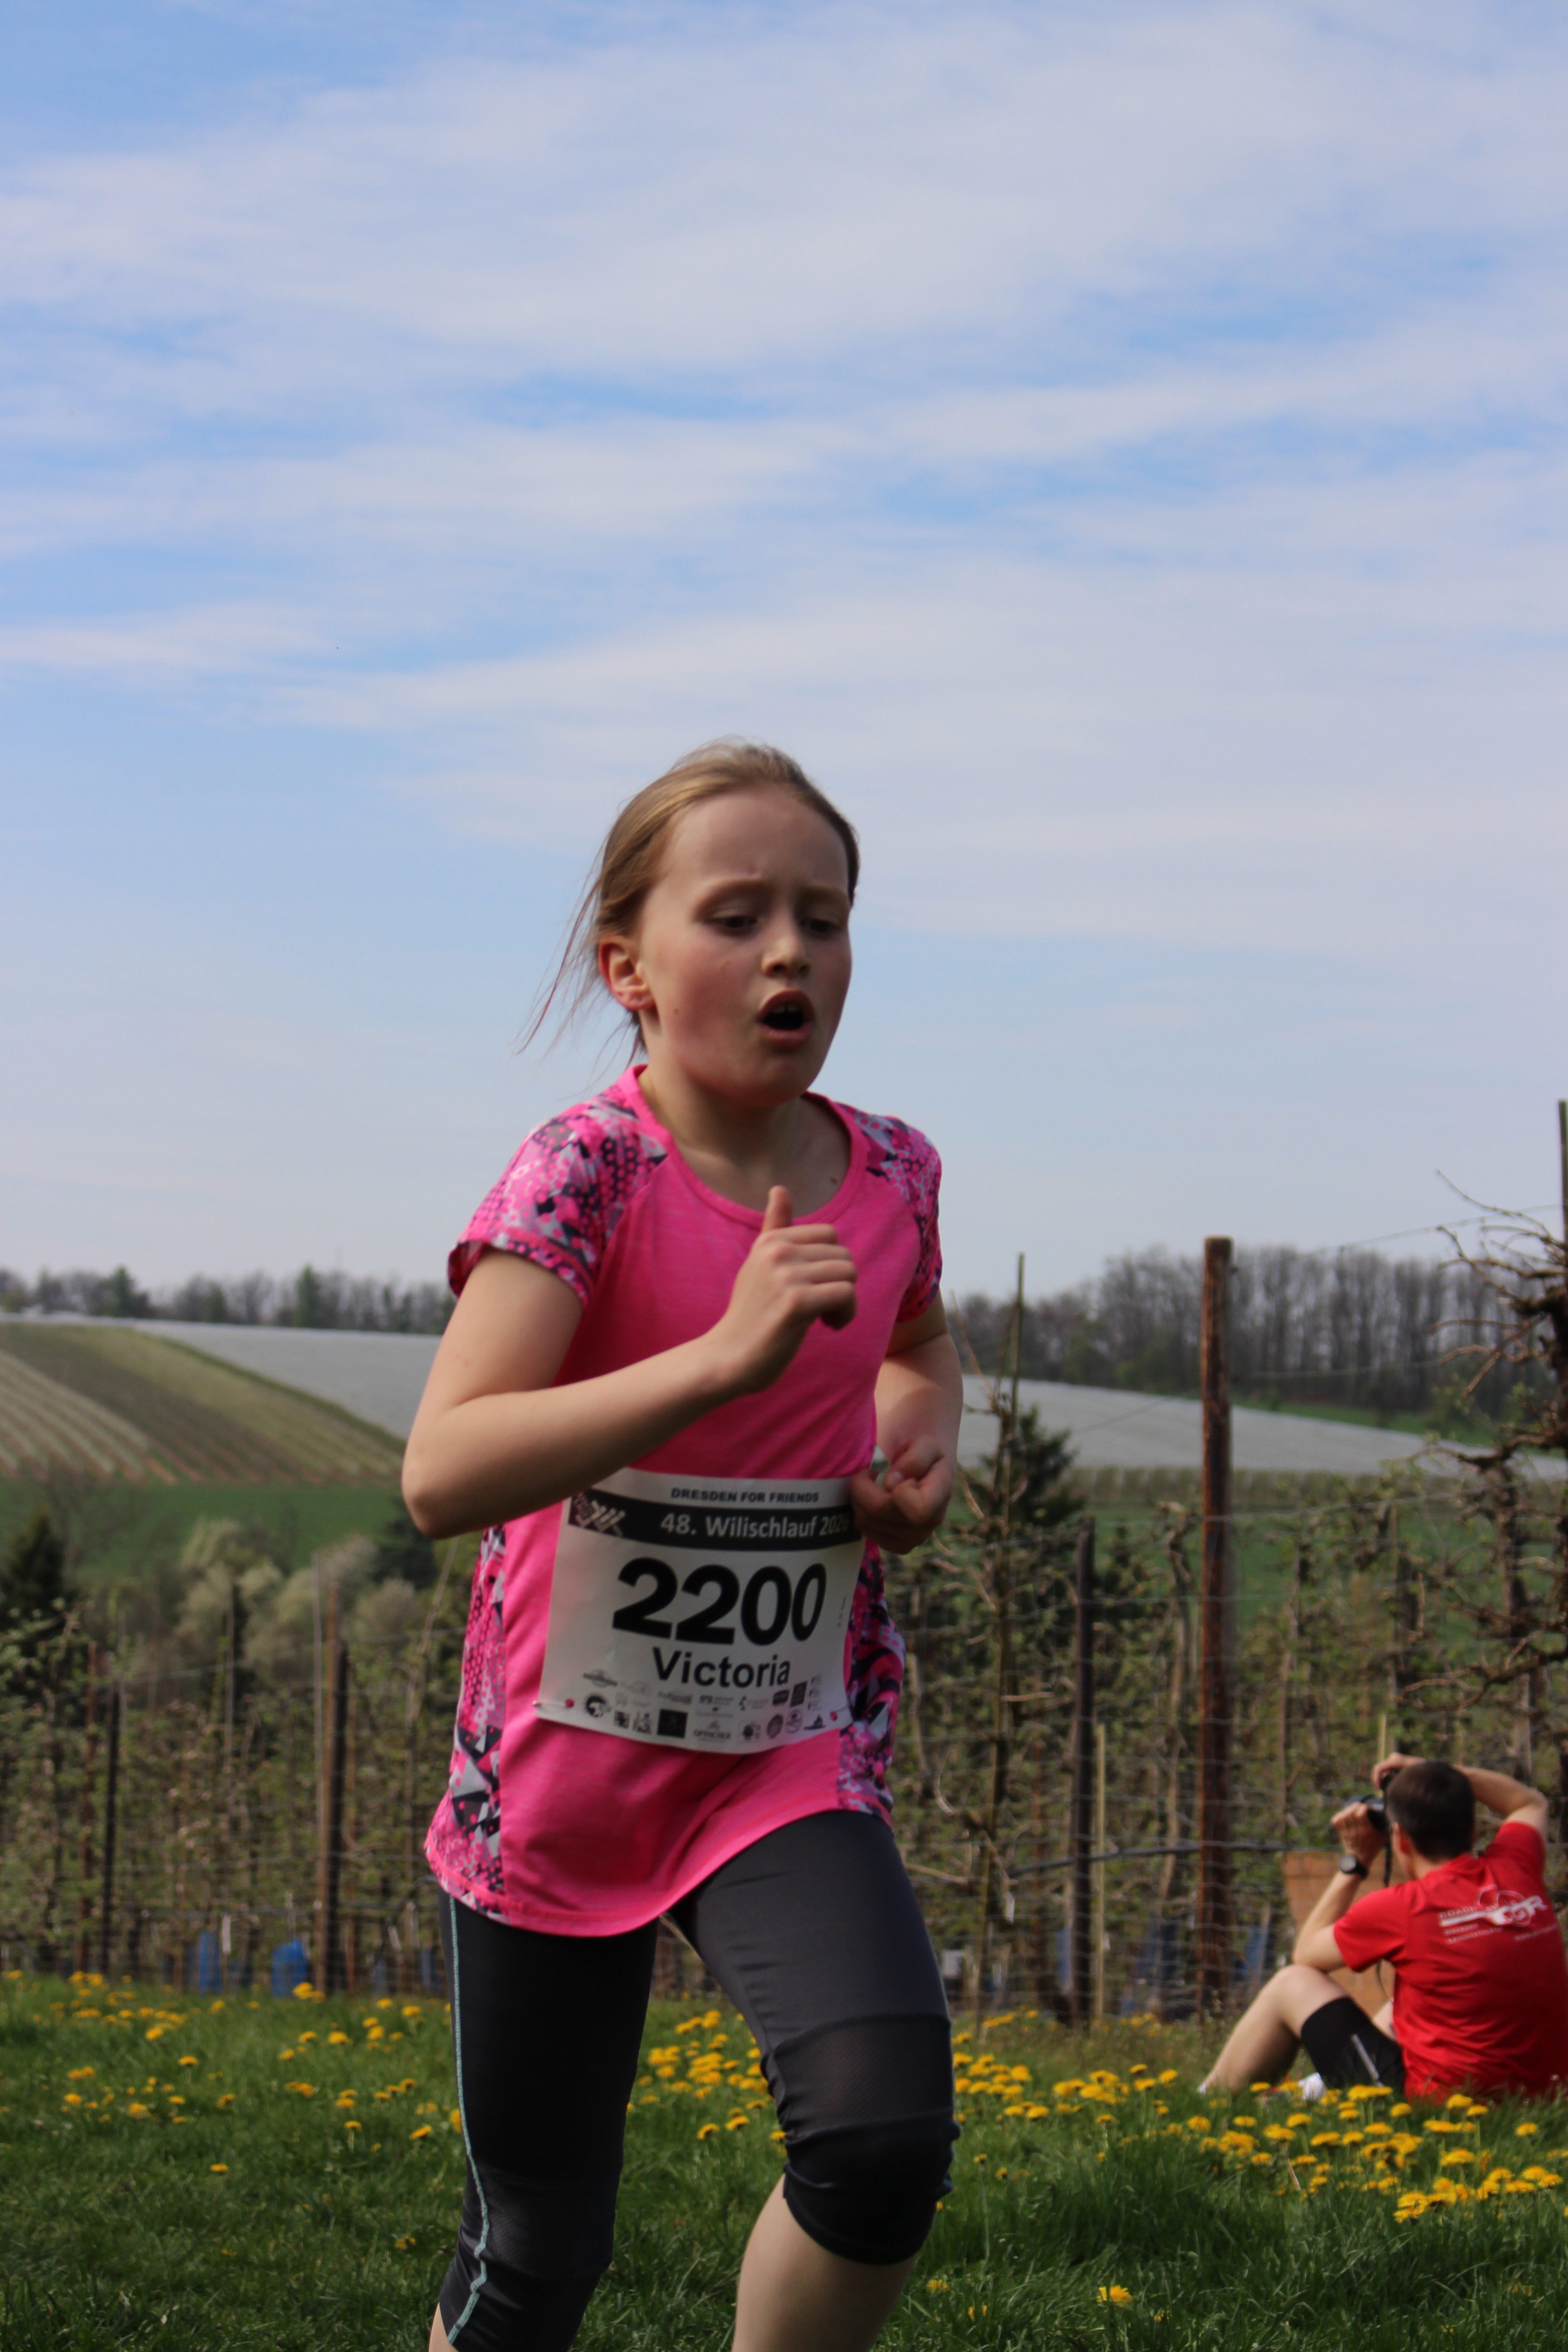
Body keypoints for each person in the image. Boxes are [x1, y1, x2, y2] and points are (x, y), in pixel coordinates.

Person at [402, 742, 964, 2352]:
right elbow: (442, 1469)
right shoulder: (585, 1172)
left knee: (881, 2144)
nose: (793, 952)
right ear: (628, 969)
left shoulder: (893, 1174)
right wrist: (717, 1362)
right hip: (560, 1770)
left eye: (824, 917)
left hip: (785, 1749)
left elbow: (920, 1343)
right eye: (737, 915)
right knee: (538, 2253)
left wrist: (918, 1451)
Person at [1204, 1751, 1568, 2102]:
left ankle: (1205, 2101)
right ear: (1473, 1830)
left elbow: (1306, 1954)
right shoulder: (1516, 1868)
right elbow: (1530, 1802)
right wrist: (1434, 1773)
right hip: (1545, 2095)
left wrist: (1356, 1861)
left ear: (1401, 1838)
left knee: (1292, 1983)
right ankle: (1306, 2094)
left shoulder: (1404, 1906)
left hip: (1445, 2106)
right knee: (1404, 2004)